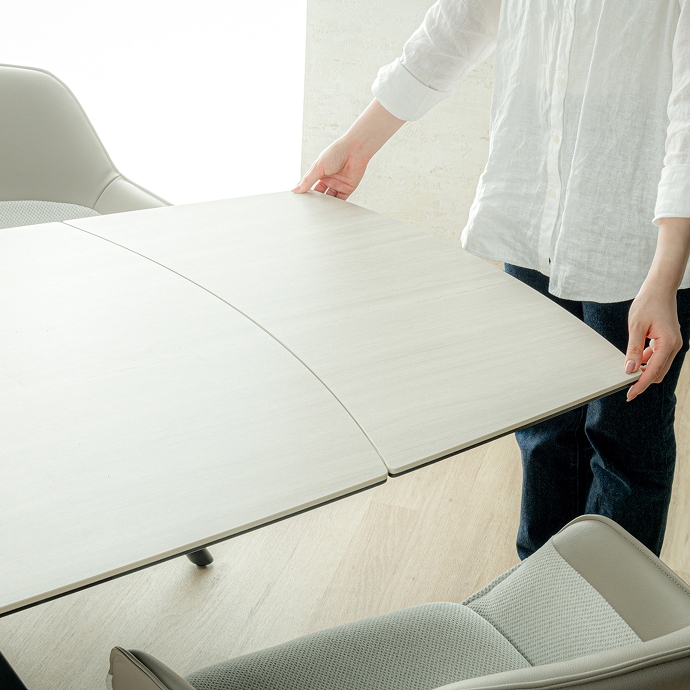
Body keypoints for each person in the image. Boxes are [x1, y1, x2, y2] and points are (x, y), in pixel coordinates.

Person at [293, 0, 690, 559]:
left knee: (625, 441)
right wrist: (357, 145)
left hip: (636, 243)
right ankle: (537, 586)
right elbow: (454, 27)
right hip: (531, 215)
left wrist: (665, 275)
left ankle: (612, 608)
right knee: (544, 427)